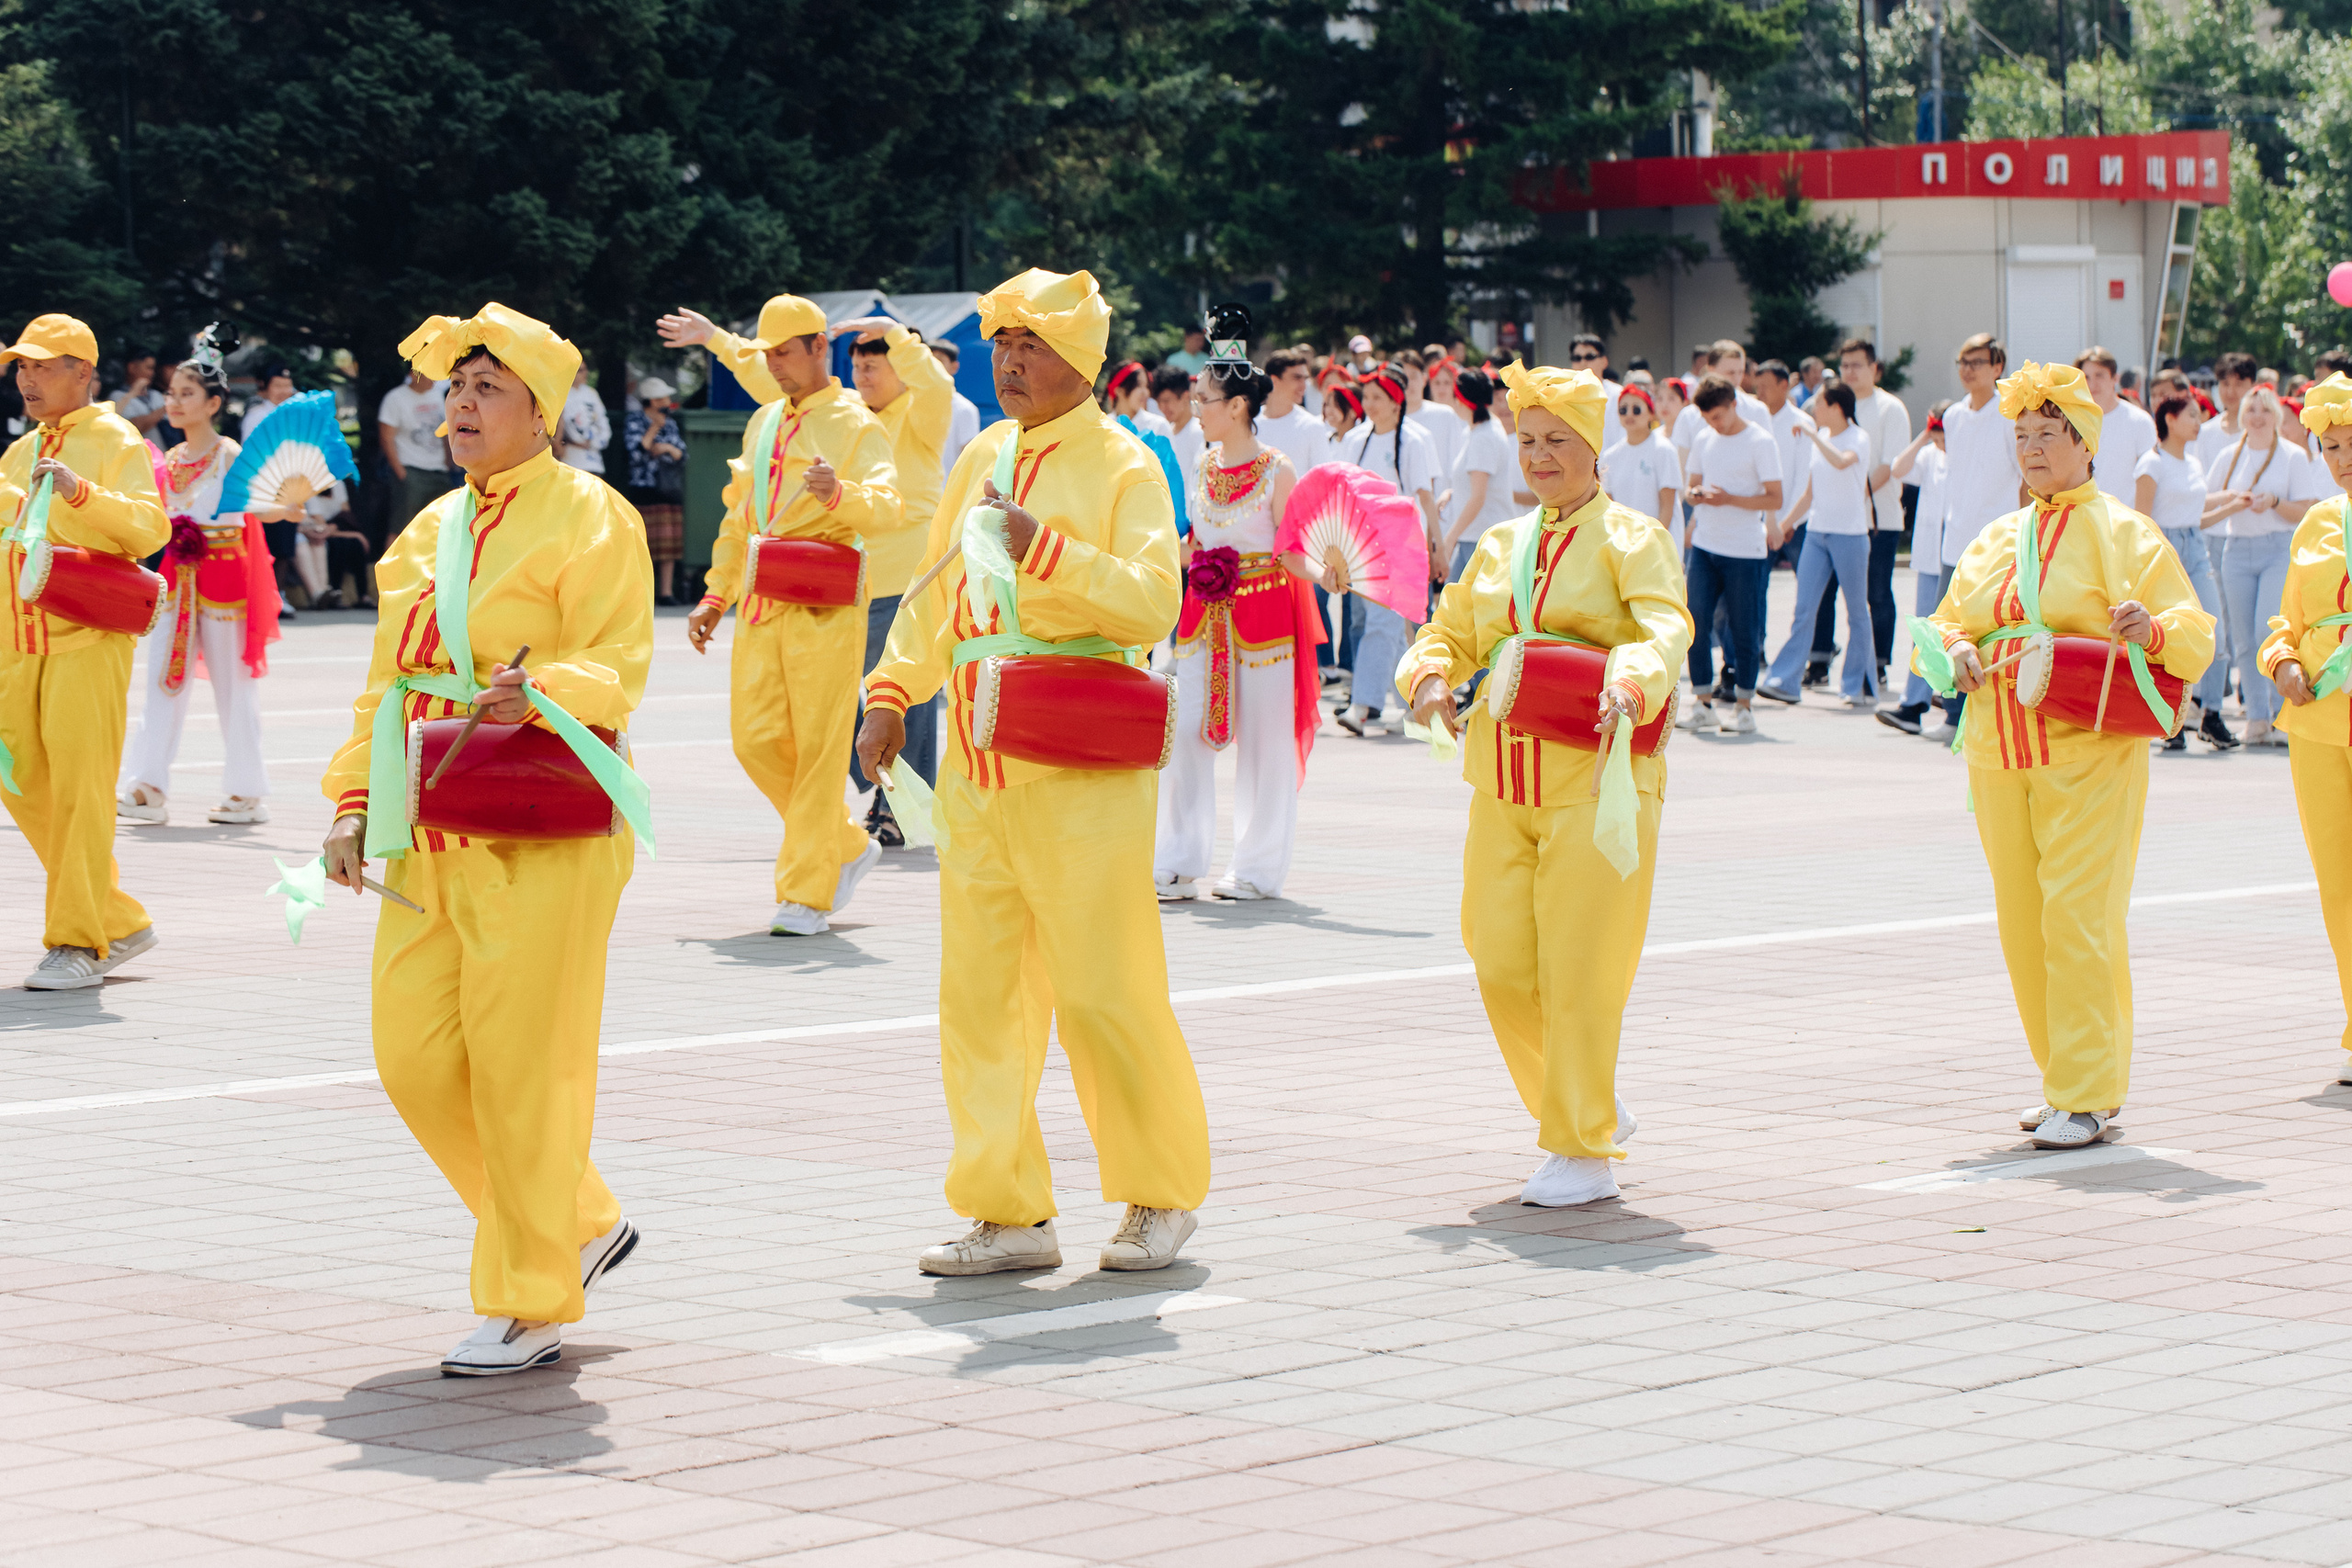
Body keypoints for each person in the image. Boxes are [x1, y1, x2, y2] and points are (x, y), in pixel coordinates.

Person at [319, 302, 653, 1376]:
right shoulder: (428, 530)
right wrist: (351, 803)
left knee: (523, 1064)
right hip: (434, 820)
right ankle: (581, 1220)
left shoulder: (592, 516)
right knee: (414, 1058)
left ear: (541, 413)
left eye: (487, 390)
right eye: (455, 389)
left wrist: (541, 691)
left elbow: (619, 662)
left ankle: (529, 1295)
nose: (459, 407)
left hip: (543, 820)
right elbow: (388, 686)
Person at [854, 266, 1208, 1277]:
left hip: (1079, 764)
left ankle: (1160, 1195)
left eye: (1031, 344)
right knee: (981, 998)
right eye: (1000, 342)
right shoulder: (981, 455)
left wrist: (1040, 547)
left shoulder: (1125, 465)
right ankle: (1008, 1212)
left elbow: (1151, 605)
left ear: (1083, 361)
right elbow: (931, 593)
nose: (1009, 361)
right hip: (974, 765)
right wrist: (889, 693)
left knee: (1105, 988)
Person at [1399, 363, 1692, 1206]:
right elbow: (1448, 628)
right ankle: (1586, 1095)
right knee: (1497, 958)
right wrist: (1425, 676)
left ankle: (1582, 1145)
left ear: (1594, 447)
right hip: (1501, 781)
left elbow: (1665, 627)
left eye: (1558, 441)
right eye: (1528, 441)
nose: (1540, 456)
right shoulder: (1501, 544)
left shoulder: (1633, 539)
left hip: (1597, 780)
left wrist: (1630, 682)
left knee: (1581, 966)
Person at [1922, 362, 2211, 1150]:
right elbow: (1945, 626)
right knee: (2024, 921)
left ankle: (2085, 1090)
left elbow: (2194, 629)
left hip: (2088, 748)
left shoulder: (2124, 530)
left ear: (2087, 444)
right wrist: (1956, 653)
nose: (2033, 448)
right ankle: (2067, 1078)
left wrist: (2148, 627)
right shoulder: (1994, 537)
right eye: (2022, 435)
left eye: (2050, 434)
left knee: (2079, 915)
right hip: (1997, 746)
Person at [683, 295, 899, 935]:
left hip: (826, 609)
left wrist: (842, 494)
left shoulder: (857, 423)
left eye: (784, 352)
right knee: (755, 742)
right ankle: (849, 845)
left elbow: (889, 506)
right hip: (760, 602)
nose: (774, 365)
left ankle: (806, 893)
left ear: (817, 348)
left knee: (818, 752)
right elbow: (736, 516)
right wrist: (715, 593)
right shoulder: (765, 422)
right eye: (767, 354)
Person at [0, 314, 169, 988]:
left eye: (43, 365)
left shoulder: (113, 439)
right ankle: (118, 919)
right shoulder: (18, 451)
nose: (27, 378)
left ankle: (78, 942)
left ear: (83, 373)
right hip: (20, 645)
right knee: (20, 781)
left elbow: (148, 526)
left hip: (87, 640)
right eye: (21, 366)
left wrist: (80, 491)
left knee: (81, 793)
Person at [1152, 345, 1326, 901]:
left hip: (1265, 613)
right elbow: (1193, 543)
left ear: (1239, 405)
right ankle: (1178, 860)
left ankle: (1256, 867)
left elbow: (1293, 551)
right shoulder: (1202, 463)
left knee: (1265, 742)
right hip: (1203, 614)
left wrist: (1328, 573)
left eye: (1205, 399)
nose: (1196, 407)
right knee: (1184, 733)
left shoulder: (1279, 469)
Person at [118, 331, 286, 829]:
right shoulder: (167, 461)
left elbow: (256, 505)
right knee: (161, 680)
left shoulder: (229, 453)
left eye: (186, 394)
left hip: (224, 576)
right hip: (176, 578)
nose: (174, 401)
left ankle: (245, 792)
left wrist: (288, 510)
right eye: (171, 393)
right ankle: (147, 786)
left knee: (234, 688)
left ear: (213, 402)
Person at [2258, 374, 2352, 1085]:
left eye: (2351, 443)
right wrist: (2282, 659)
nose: (2341, 457)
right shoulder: (2318, 522)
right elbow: (2284, 620)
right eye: (2330, 445)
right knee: (2338, 881)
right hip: (2317, 720)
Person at [834, 315, 956, 837]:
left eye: (873, 364)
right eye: (857, 365)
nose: (863, 374)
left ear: (899, 367)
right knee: (833, 692)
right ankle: (882, 790)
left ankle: (902, 805)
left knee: (905, 696)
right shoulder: (851, 420)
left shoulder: (920, 412)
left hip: (905, 579)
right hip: (849, 577)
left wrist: (895, 331)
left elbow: (936, 382)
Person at [2209, 385, 2324, 747]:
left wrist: (2274, 501)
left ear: (2276, 415)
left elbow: (2305, 508)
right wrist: (2232, 499)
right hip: (2237, 550)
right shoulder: (2229, 455)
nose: (2257, 417)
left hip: (2277, 549)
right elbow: (2206, 498)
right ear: (2241, 415)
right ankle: (2257, 717)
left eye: (2264, 410)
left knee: (2267, 631)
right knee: (2242, 638)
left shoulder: (2291, 455)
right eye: (2251, 410)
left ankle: (2281, 713)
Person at [1337, 362, 1442, 736]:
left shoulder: (1414, 439)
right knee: (1391, 629)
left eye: (1377, 397)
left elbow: (1425, 498)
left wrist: (1437, 547)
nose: (1370, 404)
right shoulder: (1355, 439)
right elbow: (1345, 494)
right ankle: (1414, 706)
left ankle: (1362, 706)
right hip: (1363, 543)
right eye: (1366, 397)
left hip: (1402, 541)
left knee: (1381, 623)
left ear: (1396, 402)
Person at [1757, 382, 1877, 707]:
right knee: (1804, 609)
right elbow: (1809, 494)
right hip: (1817, 533)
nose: (1814, 410)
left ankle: (1858, 685)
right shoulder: (1820, 438)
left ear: (1837, 407)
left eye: (1820, 404)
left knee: (1856, 612)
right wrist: (1785, 525)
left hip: (1850, 536)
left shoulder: (1857, 438)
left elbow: (1842, 462)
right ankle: (1785, 681)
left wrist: (1810, 435)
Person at [2133, 393, 2238, 751]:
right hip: (2164, 552)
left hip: (2196, 548)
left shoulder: (2193, 464)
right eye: (2191, 415)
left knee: (2215, 634)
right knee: (2169, 638)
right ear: (2170, 420)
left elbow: (2194, 516)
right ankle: (2170, 718)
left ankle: (2211, 714)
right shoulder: (2152, 463)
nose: (2198, 421)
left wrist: (2231, 503)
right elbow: (2143, 521)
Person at [1679, 375, 1783, 734]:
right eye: (1708, 418)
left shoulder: (1760, 440)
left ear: (1734, 405)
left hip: (1745, 548)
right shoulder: (1704, 438)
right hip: (1707, 543)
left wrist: (1730, 500)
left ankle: (1744, 705)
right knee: (1696, 622)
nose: (1715, 424)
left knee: (1744, 626)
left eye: (1719, 416)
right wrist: (1696, 495)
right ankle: (1703, 701)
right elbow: (1690, 486)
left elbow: (1775, 498)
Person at [1838, 338, 1911, 682]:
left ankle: (1879, 662)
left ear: (1874, 369)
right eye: (1845, 365)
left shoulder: (1889, 408)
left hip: (1880, 518)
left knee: (1877, 591)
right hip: (1844, 521)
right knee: (1847, 597)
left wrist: (1857, 495)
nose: (1850, 372)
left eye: (1857, 365)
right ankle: (1843, 661)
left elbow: (1890, 465)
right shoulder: (1839, 406)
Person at [1439, 368, 1516, 578]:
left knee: (1458, 605)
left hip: (1483, 538)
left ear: (1460, 399)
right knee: (1454, 604)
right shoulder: (1479, 430)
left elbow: (1478, 497)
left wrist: (1450, 538)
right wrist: (1453, 493)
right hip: (1475, 536)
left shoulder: (1483, 437)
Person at [624, 378, 686, 605]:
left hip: (668, 489)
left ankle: (666, 592)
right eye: (662, 398)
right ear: (651, 400)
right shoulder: (635, 421)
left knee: (669, 544)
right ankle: (644, 592)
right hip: (643, 488)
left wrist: (667, 448)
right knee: (645, 543)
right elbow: (637, 453)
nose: (667, 402)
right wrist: (654, 429)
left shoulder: (672, 423)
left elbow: (682, 454)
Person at [378, 367, 458, 541]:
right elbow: (386, 437)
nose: (433, 379)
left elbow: (445, 431)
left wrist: (448, 461)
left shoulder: (438, 396)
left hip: (439, 470)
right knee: (402, 526)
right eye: (429, 374)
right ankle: (389, 567)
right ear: (413, 375)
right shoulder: (395, 398)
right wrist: (400, 472)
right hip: (411, 470)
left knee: (441, 524)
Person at [1598, 386, 1680, 546]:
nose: (1629, 414)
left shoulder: (1664, 450)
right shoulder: (1610, 456)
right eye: (1623, 409)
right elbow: (1610, 507)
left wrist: (1654, 542)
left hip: (1659, 545)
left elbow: (1667, 507)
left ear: (1651, 414)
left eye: (1636, 409)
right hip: (1626, 545)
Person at [2078, 346, 2158, 507]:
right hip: (2084, 519)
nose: (2092, 384)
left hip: (2125, 521)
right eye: (2086, 377)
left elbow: (2151, 476)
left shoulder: (2139, 421)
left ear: (2115, 378)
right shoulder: (2072, 421)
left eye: (2099, 375)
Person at [1257, 348, 1323, 477]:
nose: (1303, 386)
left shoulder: (1312, 427)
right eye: (1297, 378)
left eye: (1305, 379)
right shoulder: (1248, 422)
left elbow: (1322, 482)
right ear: (1274, 381)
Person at [1566, 333, 1626, 452]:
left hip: (1612, 467)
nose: (1583, 363)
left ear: (1604, 361)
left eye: (1589, 357)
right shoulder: (1565, 396)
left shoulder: (1619, 395)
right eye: (1577, 358)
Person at [1148, 366, 1205, 491]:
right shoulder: (1164, 431)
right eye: (1159, 402)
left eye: (1167, 400)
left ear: (1186, 396)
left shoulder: (1199, 432)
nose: (1162, 407)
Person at [932, 340, 980, 474]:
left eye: (940, 360)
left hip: (947, 492)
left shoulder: (964, 409)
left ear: (954, 367)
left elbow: (969, 460)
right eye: (929, 360)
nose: (933, 365)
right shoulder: (911, 403)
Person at [555, 364, 611, 473]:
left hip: (594, 462)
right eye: (579, 370)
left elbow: (603, 422)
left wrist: (595, 442)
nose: (585, 373)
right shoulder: (561, 393)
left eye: (585, 369)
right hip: (570, 461)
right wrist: (576, 440)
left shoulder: (592, 394)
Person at [107, 349, 166, 437]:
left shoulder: (156, 395)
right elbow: (134, 426)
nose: (152, 373)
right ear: (132, 367)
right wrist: (165, 408)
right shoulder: (118, 396)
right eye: (149, 368)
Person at [241, 364, 298, 436]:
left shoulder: (295, 414)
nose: (283, 391)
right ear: (267, 388)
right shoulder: (256, 416)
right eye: (278, 385)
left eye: (287, 386)